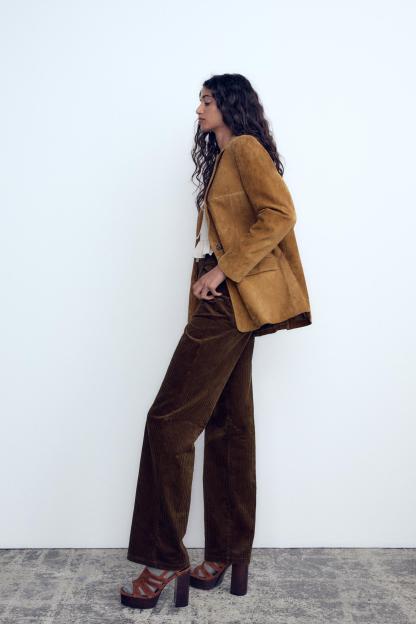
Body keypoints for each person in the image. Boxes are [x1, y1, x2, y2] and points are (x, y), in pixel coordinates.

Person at [120, 73, 312, 610]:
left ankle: (163, 559)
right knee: (228, 424)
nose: (199, 108)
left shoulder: (245, 148)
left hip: (229, 299)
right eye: (199, 100)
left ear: (229, 103)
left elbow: (281, 213)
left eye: (207, 100)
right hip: (230, 300)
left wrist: (223, 271)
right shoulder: (226, 157)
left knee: (168, 421)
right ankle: (229, 552)